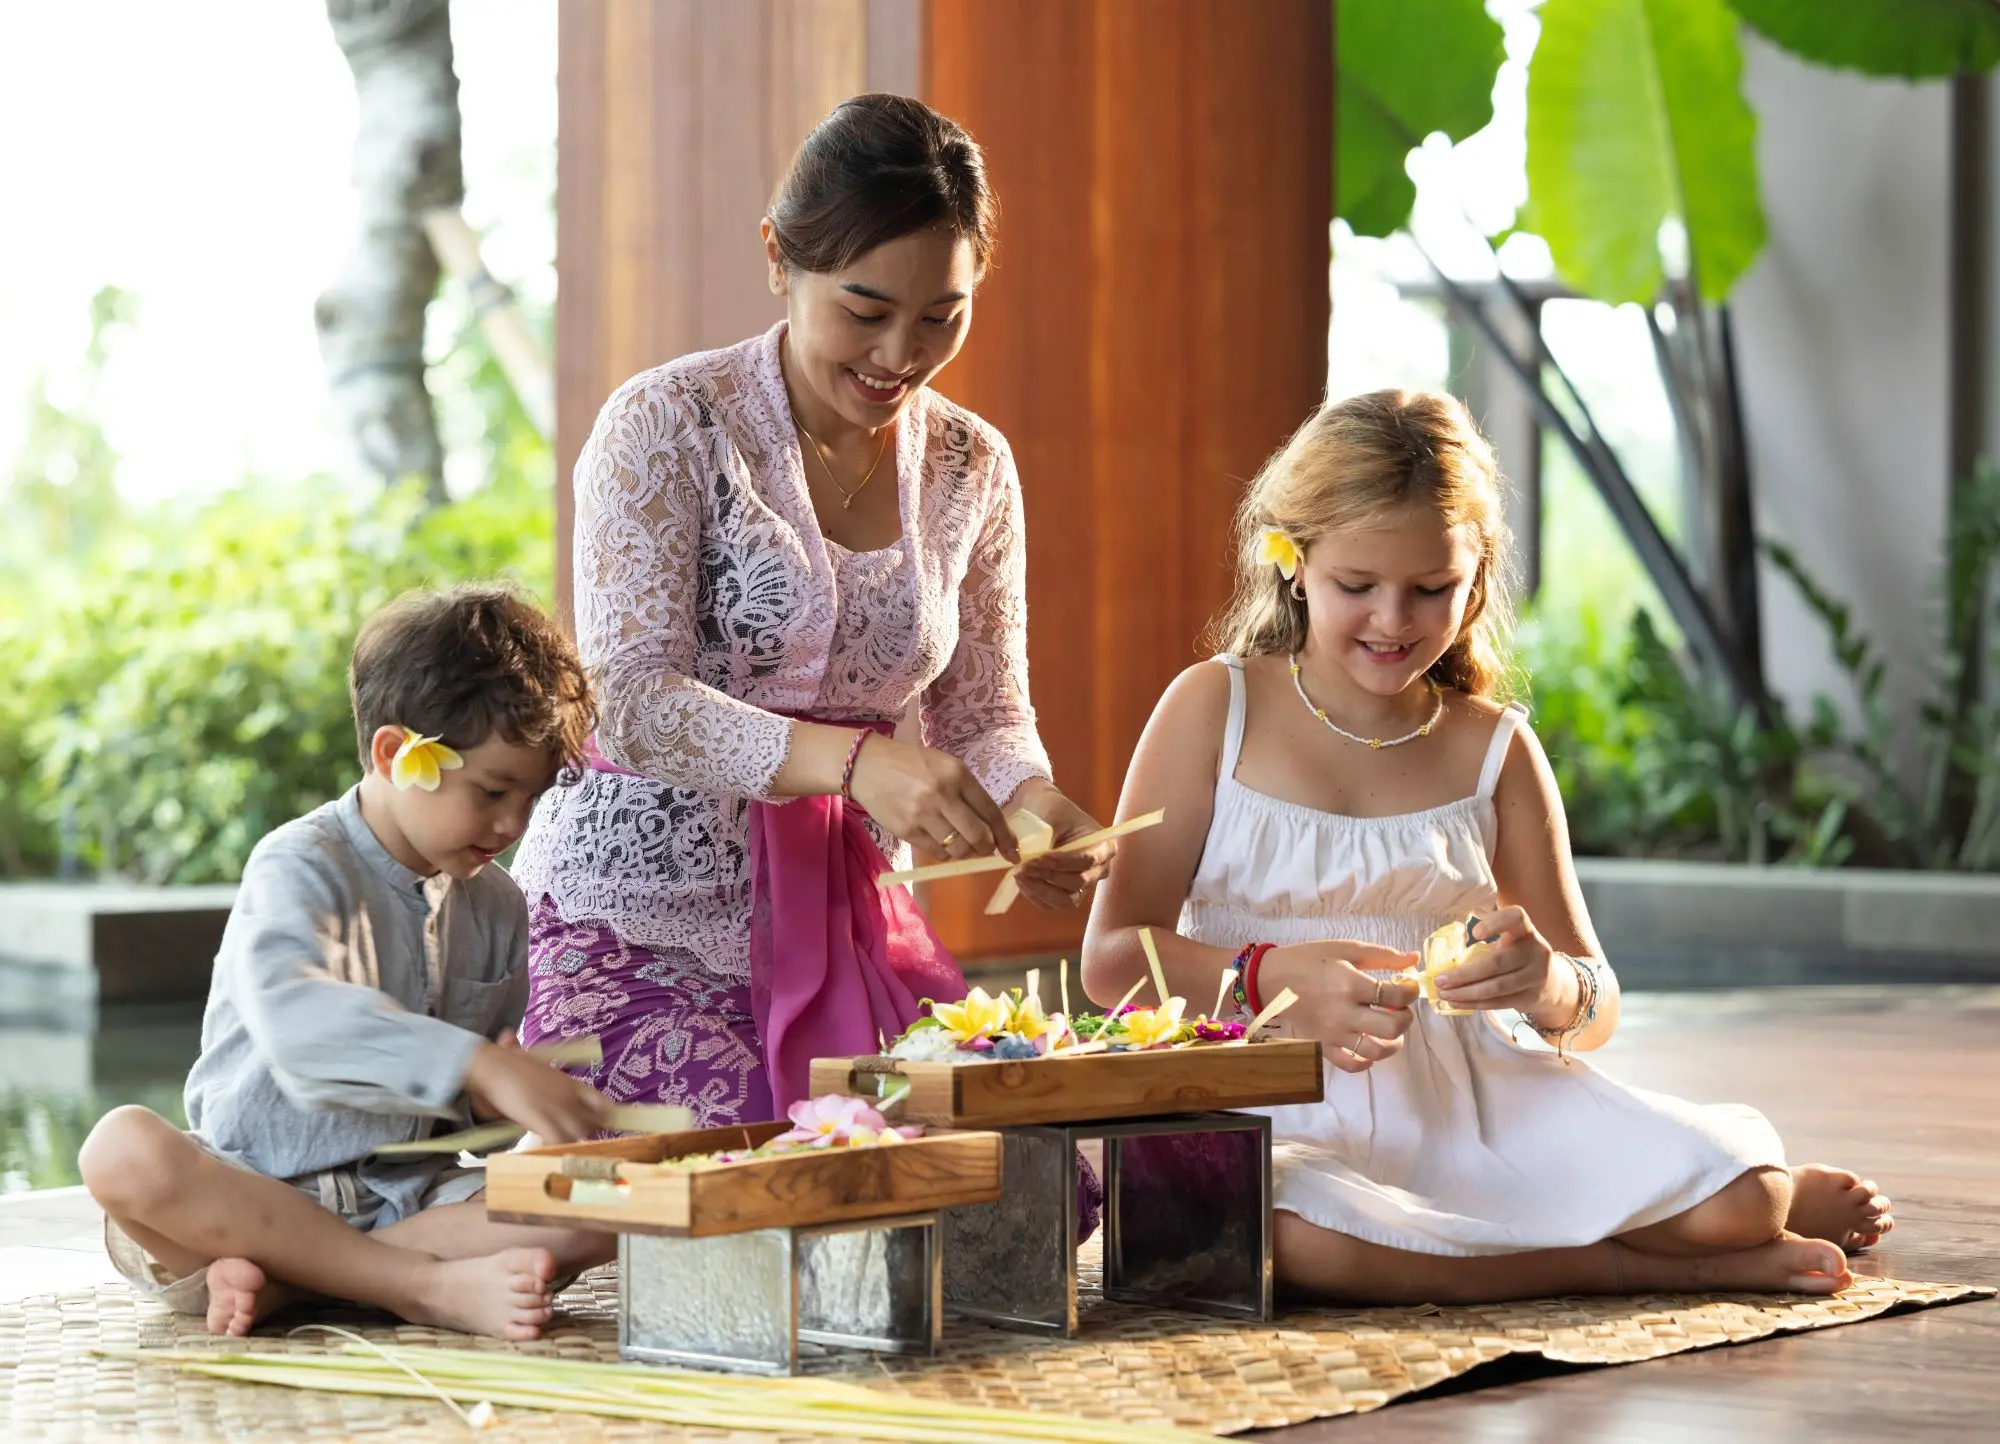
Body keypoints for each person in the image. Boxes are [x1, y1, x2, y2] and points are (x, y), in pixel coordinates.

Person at [1081, 390, 1894, 1303]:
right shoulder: (1213, 708)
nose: (1394, 621)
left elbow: (1595, 1002)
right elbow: (1112, 962)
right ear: (1295, 563)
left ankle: (1711, 1230)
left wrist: (1545, 984)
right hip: (1260, 1098)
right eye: (1359, 587)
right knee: (1286, 1237)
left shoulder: (1492, 748)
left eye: (1431, 590)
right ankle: (1640, 1265)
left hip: (1466, 1102)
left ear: (1475, 583)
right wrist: (1267, 977)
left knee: (1742, 1193)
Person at [512, 94, 1113, 1127]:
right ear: (777, 257)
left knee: (1011, 1186)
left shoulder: (974, 466)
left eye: (942, 316)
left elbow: (983, 715)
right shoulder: (666, 422)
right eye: (864, 310)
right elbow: (632, 704)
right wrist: (850, 761)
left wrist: (1034, 802)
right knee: (758, 1177)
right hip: (636, 916)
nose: (899, 356)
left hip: (844, 918)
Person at [79, 586, 618, 1340]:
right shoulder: (298, 863)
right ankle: (417, 1288)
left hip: (404, 1200)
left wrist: (501, 1110)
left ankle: (291, 1286)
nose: (511, 824)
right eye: (492, 791)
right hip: (251, 1192)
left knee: (599, 1212)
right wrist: (473, 1064)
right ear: (398, 754)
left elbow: (446, 1128)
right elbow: (301, 1031)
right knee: (122, 1151)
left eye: (530, 799)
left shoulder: (497, 905)